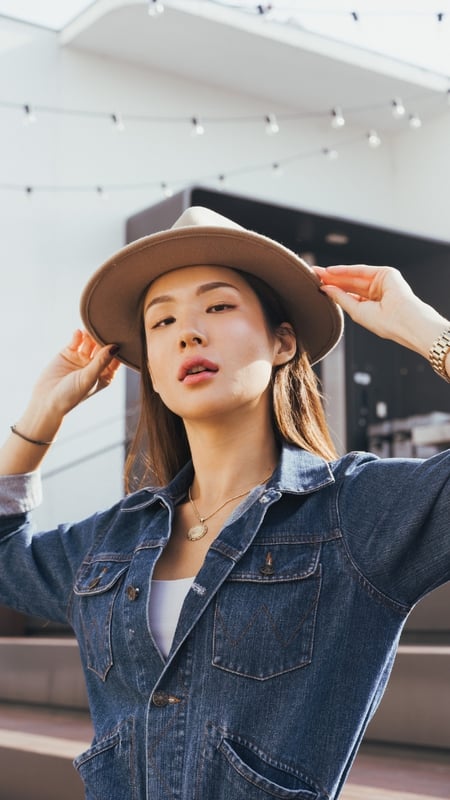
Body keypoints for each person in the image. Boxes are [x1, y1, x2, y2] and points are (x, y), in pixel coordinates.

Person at [0, 205, 449, 800]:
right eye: (162, 323)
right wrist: (39, 416)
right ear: (152, 372)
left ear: (283, 342)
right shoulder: (110, 543)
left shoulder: (355, 513)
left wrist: (425, 329)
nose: (188, 331)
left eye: (218, 306)